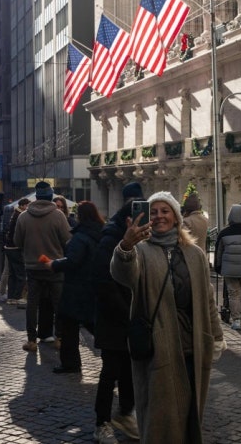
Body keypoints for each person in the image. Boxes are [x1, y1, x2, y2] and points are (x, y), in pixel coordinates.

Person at [111, 191, 226, 443]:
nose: (159, 216)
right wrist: (126, 245)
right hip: (159, 346)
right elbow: (123, 275)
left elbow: (207, 299)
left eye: (165, 211)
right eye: (153, 212)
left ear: (175, 217)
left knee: (190, 415)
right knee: (160, 418)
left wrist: (216, 336)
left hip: (193, 345)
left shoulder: (194, 254)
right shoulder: (141, 251)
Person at [91, 182, 143, 444]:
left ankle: (125, 412)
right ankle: (102, 423)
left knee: (130, 370)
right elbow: (103, 282)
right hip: (114, 318)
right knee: (110, 370)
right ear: (127, 220)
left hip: (132, 317)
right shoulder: (110, 239)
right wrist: (127, 313)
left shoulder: (145, 241)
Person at [45, 200, 103, 373]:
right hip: (93, 285)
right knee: (92, 323)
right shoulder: (101, 232)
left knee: (69, 326)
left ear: (80, 216)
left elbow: (73, 261)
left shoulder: (81, 236)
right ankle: (114, 356)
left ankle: (70, 363)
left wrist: (54, 264)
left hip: (76, 288)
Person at [14, 181, 71, 352]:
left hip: (32, 266)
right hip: (54, 266)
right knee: (59, 303)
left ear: (36, 196)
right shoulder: (59, 216)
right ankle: (59, 337)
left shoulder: (23, 216)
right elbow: (67, 240)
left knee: (32, 304)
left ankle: (31, 340)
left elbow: (17, 241)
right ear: (50, 196)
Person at [1, 198, 29, 305]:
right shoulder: (20, 215)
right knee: (20, 274)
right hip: (15, 248)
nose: (28, 208)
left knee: (12, 274)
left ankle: (11, 297)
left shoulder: (15, 213)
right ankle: (17, 297)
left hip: (9, 248)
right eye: (27, 205)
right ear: (22, 205)